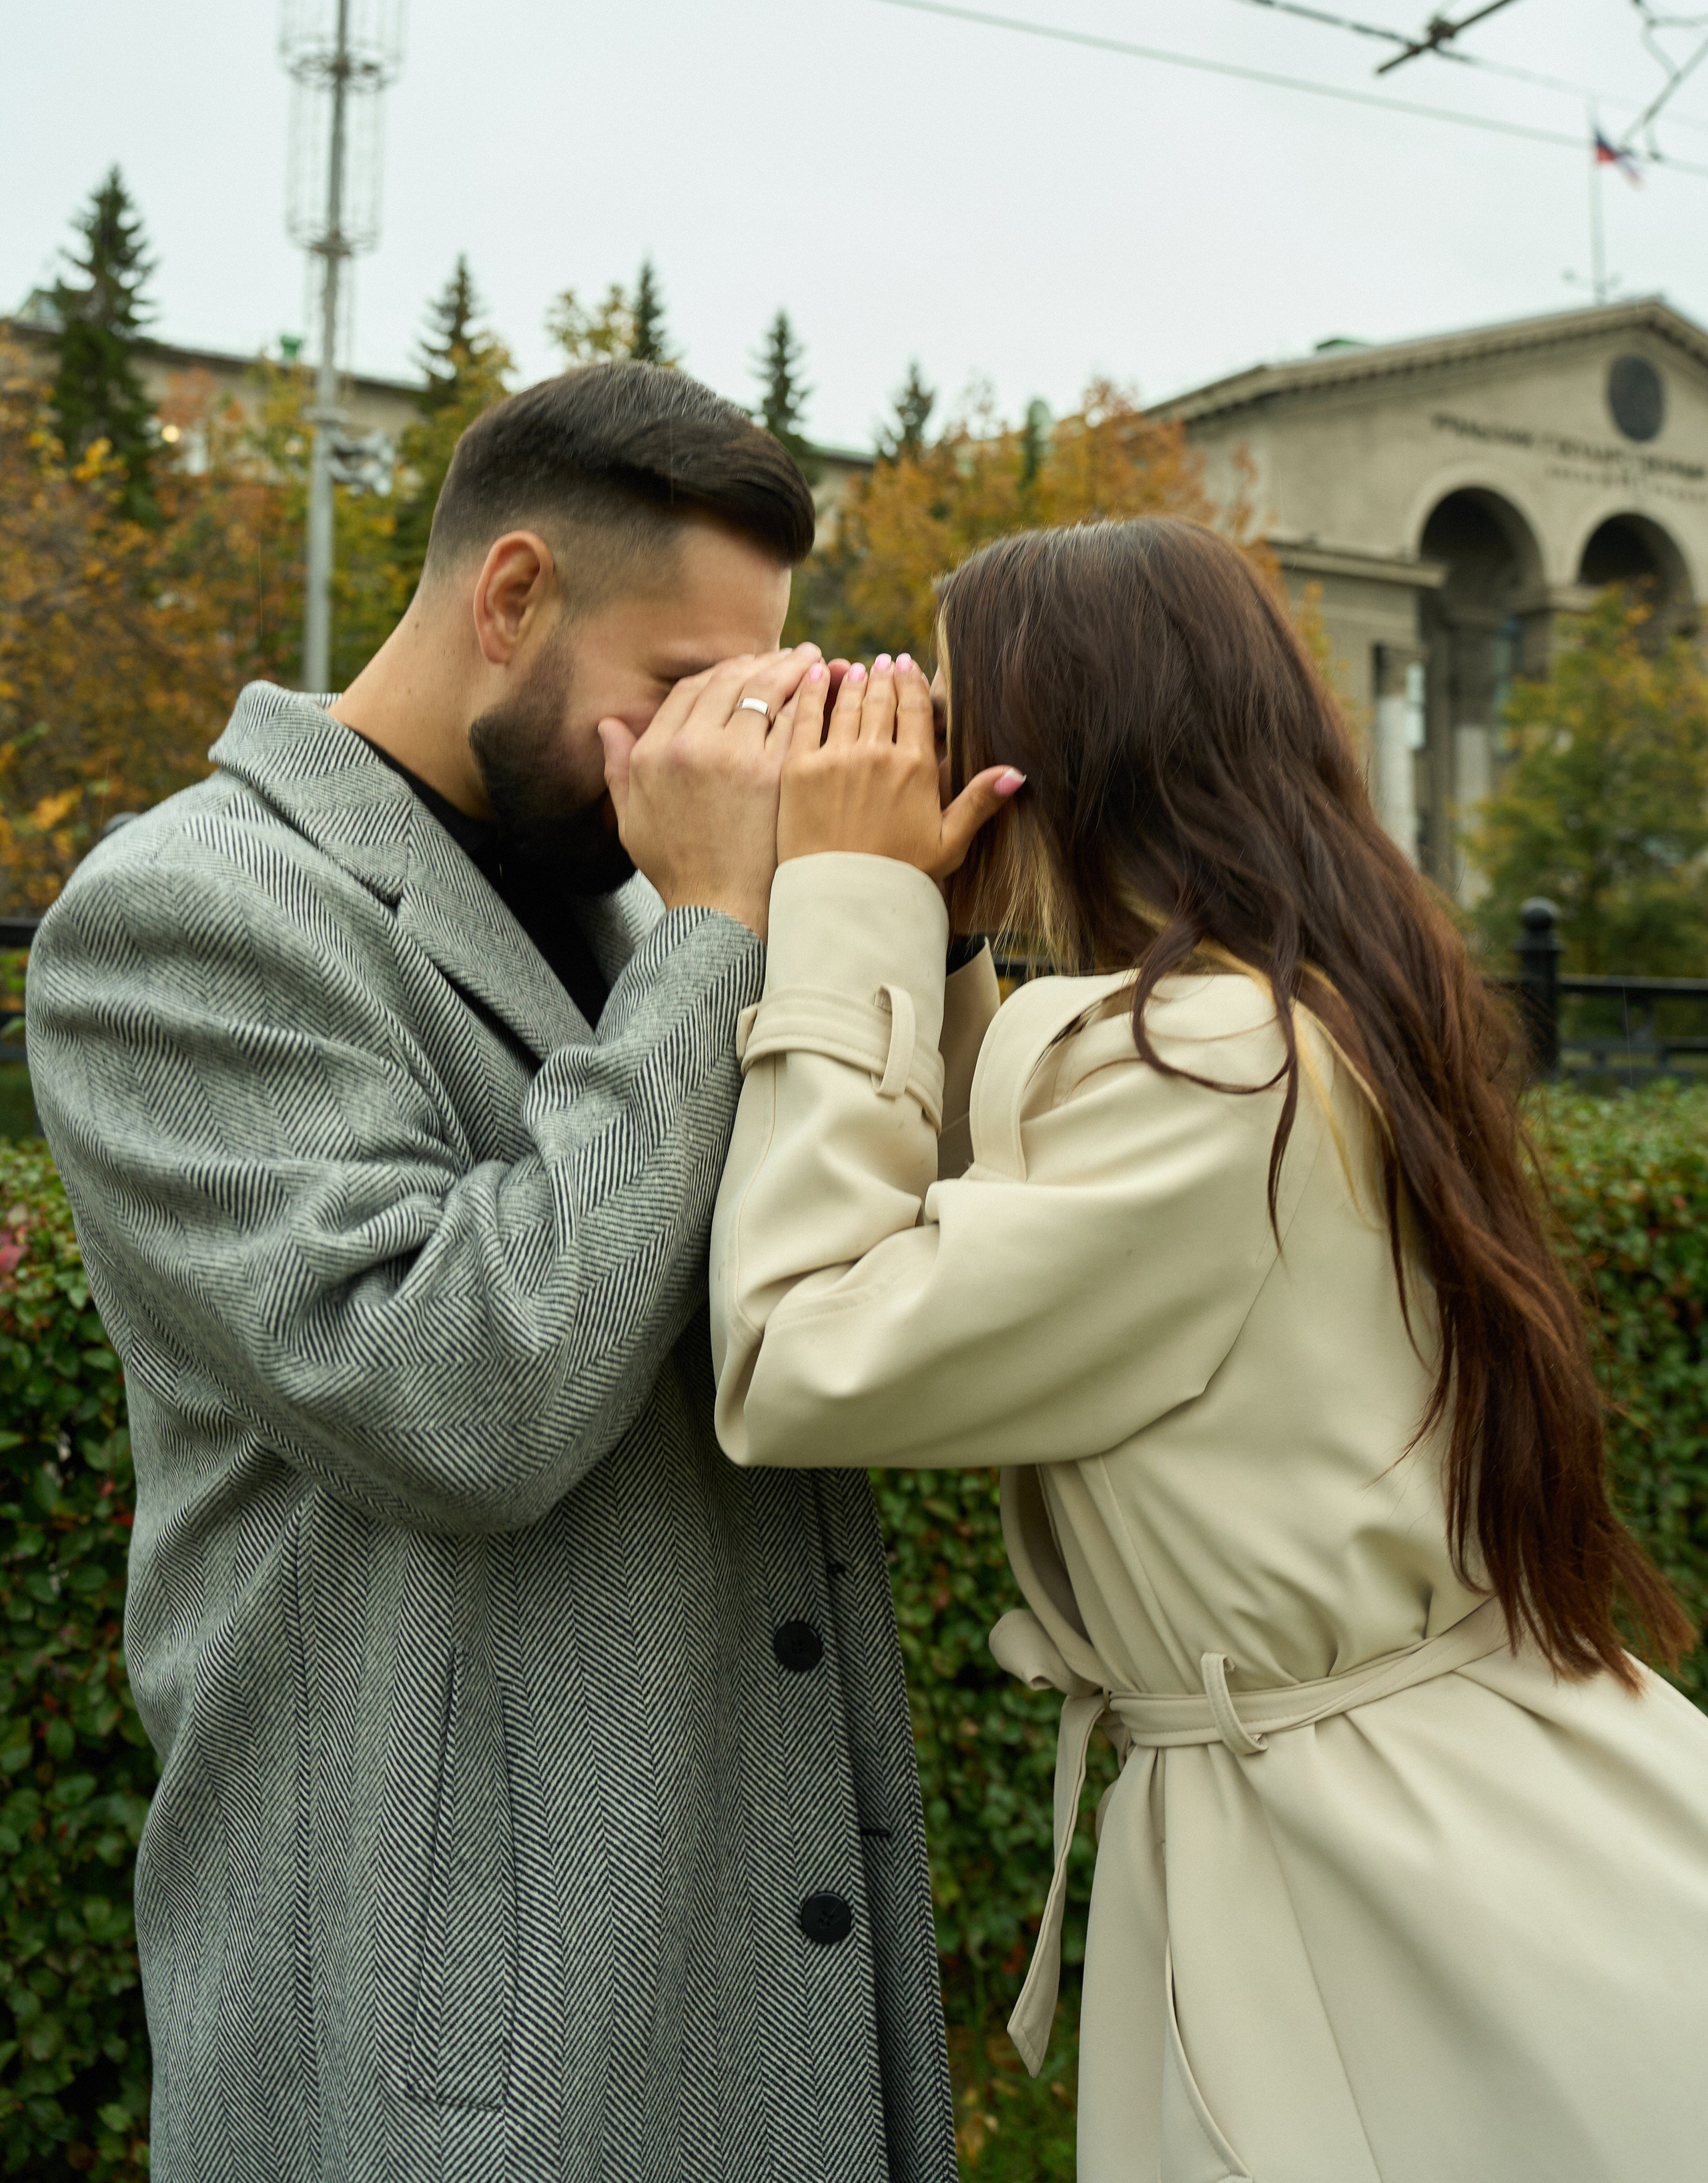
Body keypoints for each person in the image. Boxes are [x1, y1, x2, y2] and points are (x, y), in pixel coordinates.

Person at [27, 361, 961, 2183]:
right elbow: (461, 1395)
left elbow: (876, 1283)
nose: (723, 756)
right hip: (460, 2063)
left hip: (762, 1962)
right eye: (684, 692)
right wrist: (718, 931)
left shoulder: (630, 902)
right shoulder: (186, 916)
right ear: (514, 595)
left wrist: (919, 914)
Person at [707, 515, 1708, 2183]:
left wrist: (838, 902)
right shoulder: (1303, 1010)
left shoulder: (1196, 1067)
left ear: (1048, 766)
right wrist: (942, 942)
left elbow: (799, 1356)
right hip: (1453, 1805)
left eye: (957, 730)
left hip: (1362, 1867)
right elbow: (1020, 1242)